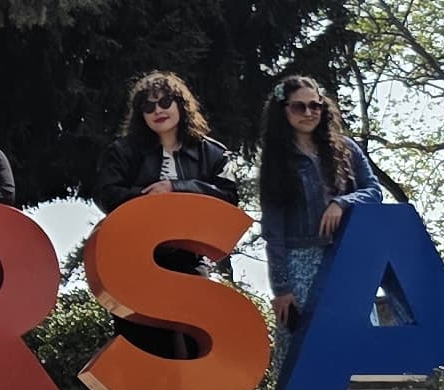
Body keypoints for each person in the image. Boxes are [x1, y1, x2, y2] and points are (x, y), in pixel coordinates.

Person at [255, 74, 385, 333]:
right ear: (284, 110)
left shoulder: (346, 148)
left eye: (315, 105)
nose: (308, 112)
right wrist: (282, 289)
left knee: (360, 337)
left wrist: (342, 202)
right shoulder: (277, 161)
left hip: (347, 254)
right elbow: (274, 231)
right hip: (300, 262)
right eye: (298, 106)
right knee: (307, 347)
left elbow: (374, 190)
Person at [94, 69, 238, 207]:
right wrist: (149, 196)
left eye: (165, 102)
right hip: (141, 230)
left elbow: (229, 197)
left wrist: (176, 187)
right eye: (148, 107)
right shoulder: (122, 152)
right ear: (141, 115)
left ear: (181, 105)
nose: (157, 111)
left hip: (198, 231)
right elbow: (107, 197)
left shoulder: (214, 153)